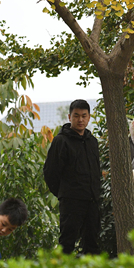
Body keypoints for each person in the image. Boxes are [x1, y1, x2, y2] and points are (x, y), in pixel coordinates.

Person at [43, 99, 101, 255]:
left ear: (89, 117)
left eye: (84, 116)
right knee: (67, 244)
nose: (80, 120)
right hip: (71, 202)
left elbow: (96, 170)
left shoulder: (92, 141)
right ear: (69, 117)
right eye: (76, 116)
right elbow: (50, 172)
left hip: (92, 201)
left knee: (92, 244)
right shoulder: (61, 141)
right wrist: (65, 194)